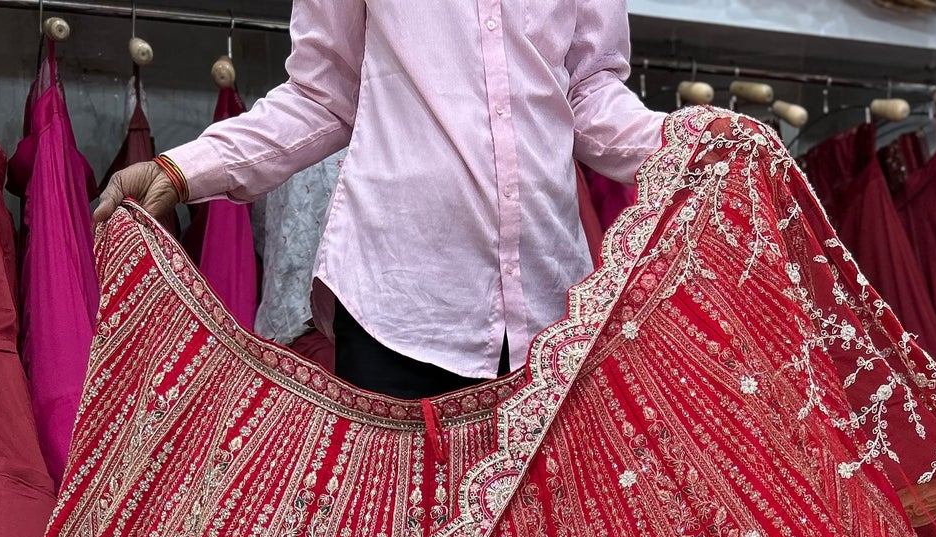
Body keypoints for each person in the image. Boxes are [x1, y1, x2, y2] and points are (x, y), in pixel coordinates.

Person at [94, 0, 665, 399]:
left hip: (550, 310)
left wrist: (695, 144)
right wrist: (187, 167)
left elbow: (589, 94)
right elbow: (322, 96)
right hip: (398, 311)